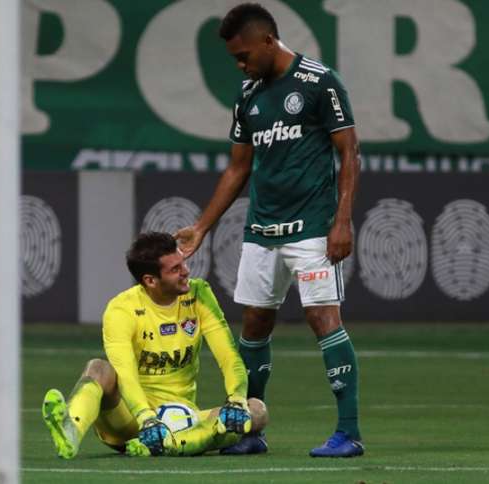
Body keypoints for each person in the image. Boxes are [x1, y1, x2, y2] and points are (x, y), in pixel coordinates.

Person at [175, 3, 363, 458]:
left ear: (267, 41)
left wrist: (342, 220)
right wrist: (202, 227)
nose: (239, 65)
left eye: (243, 55)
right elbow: (238, 168)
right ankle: (251, 429)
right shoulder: (248, 95)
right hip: (262, 228)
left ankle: (348, 432)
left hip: (314, 228)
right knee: (255, 325)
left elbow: (349, 151)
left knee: (323, 319)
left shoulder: (319, 82)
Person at [41, 232, 268, 458]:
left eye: (183, 263)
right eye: (175, 269)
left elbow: (228, 355)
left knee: (256, 410)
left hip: (181, 419)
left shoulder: (199, 294)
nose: (186, 272)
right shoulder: (121, 309)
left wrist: (237, 399)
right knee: (99, 368)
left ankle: (172, 444)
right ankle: (71, 429)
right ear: (150, 280)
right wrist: (146, 418)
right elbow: (125, 373)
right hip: (129, 419)